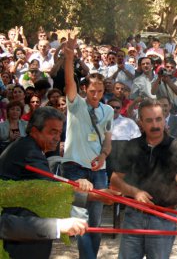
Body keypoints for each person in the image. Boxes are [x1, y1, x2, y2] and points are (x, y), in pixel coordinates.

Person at [0, 107, 114, 258]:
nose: (57, 137)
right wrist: (95, 196)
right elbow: (49, 191)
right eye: (52, 132)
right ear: (35, 131)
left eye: (59, 133)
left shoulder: (28, 146)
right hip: (18, 231)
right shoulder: (29, 151)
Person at [110, 99, 177, 259]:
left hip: (164, 216)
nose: (155, 125)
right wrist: (135, 192)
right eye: (149, 120)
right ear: (140, 122)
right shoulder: (131, 146)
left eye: (158, 119)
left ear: (164, 119)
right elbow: (114, 181)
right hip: (133, 216)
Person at [62, 35, 114, 259]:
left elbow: (108, 140)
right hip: (75, 166)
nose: (96, 95)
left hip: (97, 170)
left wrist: (103, 155)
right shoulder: (76, 104)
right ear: (85, 89)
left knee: (96, 221)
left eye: (100, 91)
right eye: (92, 91)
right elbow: (69, 82)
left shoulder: (108, 111)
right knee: (80, 218)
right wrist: (70, 56)